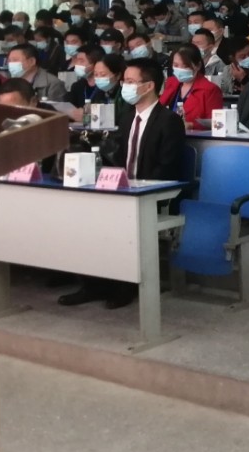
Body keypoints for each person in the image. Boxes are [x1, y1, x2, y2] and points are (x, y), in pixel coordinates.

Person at [61, 59, 185, 309]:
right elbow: (117, 158)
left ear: (148, 86)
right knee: (83, 213)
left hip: (151, 193)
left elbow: (167, 167)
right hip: (121, 189)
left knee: (118, 218)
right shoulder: (128, 118)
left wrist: (135, 188)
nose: (124, 87)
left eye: (130, 82)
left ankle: (124, 287)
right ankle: (92, 284)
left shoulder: (169, 120)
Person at [160, 45, 225, 129]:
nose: (180, 69)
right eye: (176, 65)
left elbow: (218, 124)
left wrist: (191, 125)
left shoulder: (210, 89)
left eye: (185, 66)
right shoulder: (172, 83)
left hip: (194, 136)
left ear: (198, 66)